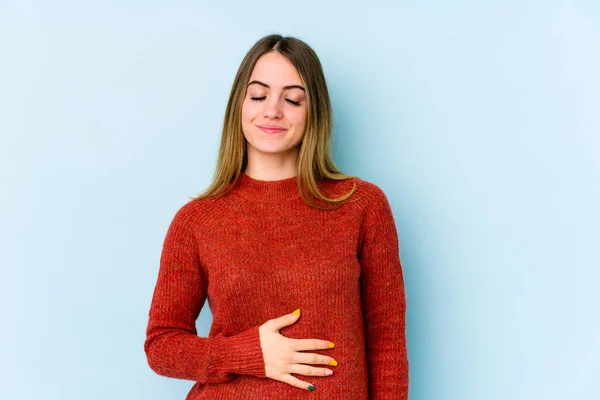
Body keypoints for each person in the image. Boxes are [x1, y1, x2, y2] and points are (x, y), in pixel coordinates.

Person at [144, 33, 409, 399]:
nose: (273, 110)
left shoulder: (360, 205)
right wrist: (249, 354)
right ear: (240, 104)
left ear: (313, 110)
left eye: (293, 99)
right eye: (258, 95)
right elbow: (161, 346)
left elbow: (387, 341)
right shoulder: (197, 220)